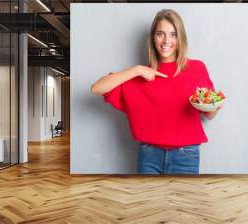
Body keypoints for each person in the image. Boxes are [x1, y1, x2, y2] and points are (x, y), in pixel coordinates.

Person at [91, 9, 223, 175]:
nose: (166, 40)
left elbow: (208, 115)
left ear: (180, 38)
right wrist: (137, 70)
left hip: (186, 156)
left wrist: (216, 106)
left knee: (184, 202)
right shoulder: (139, 76)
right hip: (149, 156)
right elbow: (97, 88)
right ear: (153, 38)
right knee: (148, 202)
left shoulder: (197, 68)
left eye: (173, 34)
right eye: (160, 34)